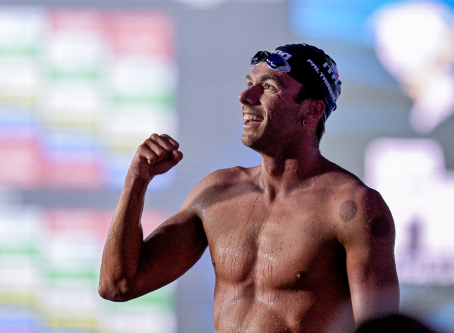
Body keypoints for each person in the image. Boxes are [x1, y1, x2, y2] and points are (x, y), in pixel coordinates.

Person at [99, 43, 400, 333]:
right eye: (249, 83)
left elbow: (381, 330)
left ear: (310, 111)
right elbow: (118, 285)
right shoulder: (218, 193)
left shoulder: (351, 207)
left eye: (268, 87)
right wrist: (136, 181)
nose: (245, 96)